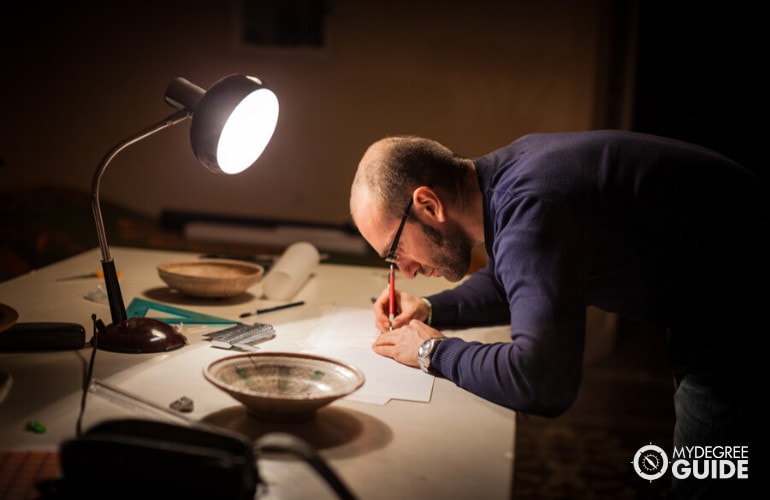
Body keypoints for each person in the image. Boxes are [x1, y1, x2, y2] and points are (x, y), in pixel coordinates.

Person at [348, 130, 765, 498]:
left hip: (742, 325)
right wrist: (432, 307)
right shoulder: (512, 180)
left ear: (428, 204)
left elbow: (541, 379)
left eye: (395, 250)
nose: (405, 271)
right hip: (721, 306)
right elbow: (512, 278)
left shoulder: (532, 206)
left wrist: (431, 353)